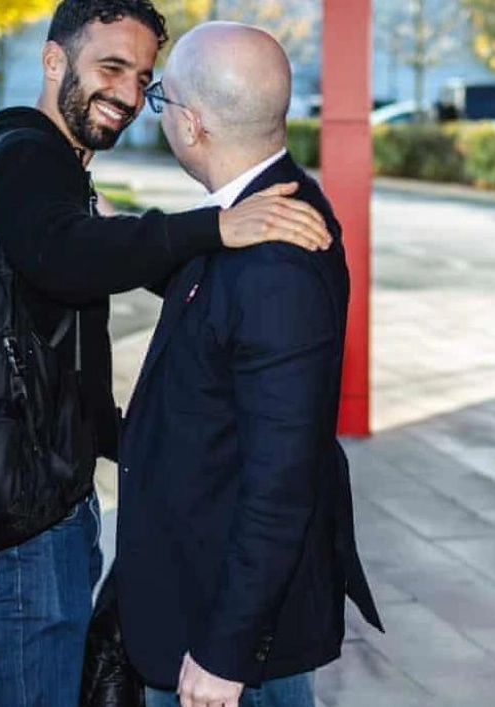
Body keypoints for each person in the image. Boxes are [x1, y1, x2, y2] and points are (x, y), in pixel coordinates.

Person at [0, 3, 337, 706]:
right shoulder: (30, 155)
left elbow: (276, 464)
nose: (129, 95)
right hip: (18, 522)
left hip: (46, 506)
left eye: (148, 79)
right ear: (54, 60)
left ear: (194, 121)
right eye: (112, 68)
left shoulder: (46, 162)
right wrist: (210, 226)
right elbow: (67, 255)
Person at [115, 22, 384, 707]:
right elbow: (212, 308)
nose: (160, 115)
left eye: (161, 102)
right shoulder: (260, 210)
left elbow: (281, 481)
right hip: (201, 600)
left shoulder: (275, 258)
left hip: (226, 649)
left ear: (194, 124)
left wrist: (223, 652)